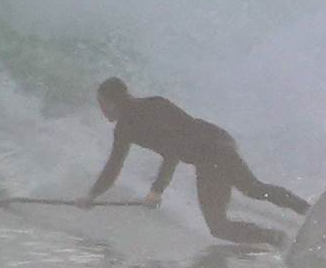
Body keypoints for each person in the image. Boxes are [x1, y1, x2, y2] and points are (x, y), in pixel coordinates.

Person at [84, 76, 311, 249]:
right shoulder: (124, 130)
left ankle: (301, 218)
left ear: (114, 102)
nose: (102, 110)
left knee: (246, 196)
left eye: (103, 104)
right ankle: (281, 236)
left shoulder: (154, 107)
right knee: (226, 218)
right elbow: (113, 167)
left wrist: (157, 190)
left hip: (214, 147)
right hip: (208, 155)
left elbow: (172, 152)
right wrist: (92, 196)